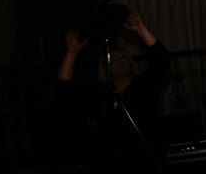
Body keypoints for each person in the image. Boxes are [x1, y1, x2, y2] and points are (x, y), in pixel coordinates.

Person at [57, 9, 171, 158]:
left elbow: (162, 61)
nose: (119, 62)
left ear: (131, 63)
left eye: (123, 58)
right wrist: (71, 52)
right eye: (113, 60)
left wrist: (140, 30)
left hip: (145, 154)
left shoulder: (144, 86)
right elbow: (65, 90)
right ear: (105, 69)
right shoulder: (101, 95)